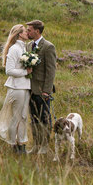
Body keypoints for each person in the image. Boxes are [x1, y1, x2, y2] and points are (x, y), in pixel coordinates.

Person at [0, 24, 32, 154]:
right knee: (15, 118)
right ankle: (14, 145)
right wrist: (25, 72)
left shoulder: (23, 48)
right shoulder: (15, 49)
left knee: (23, 117)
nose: (27, 32)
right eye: (25, 31)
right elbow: (9, 70)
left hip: (24, 87)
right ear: (19, 34)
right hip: (17, 87)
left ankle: (20, 144)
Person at [26, 20, 57, 155]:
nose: (27, 32)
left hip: (42, 90)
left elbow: (51, 71)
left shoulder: (48, 47)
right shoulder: (28, 46)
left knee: (45, 119)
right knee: (33, 119)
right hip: (29, 89)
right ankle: (36, 145)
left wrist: (47, 91)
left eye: (29, 30)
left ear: (37, 31)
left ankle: (45, 145)